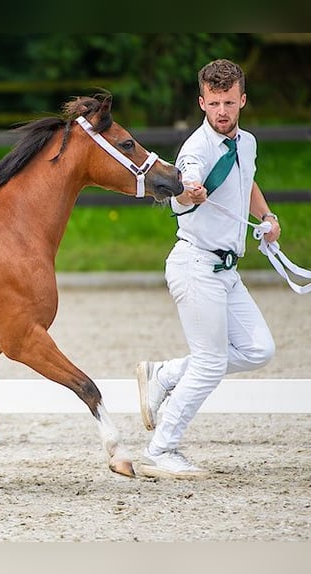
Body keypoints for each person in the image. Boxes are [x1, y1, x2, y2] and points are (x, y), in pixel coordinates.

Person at [135, 58, 282, 479]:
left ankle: (164, 374)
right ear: (202, 102)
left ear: (242, 101)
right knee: (211, 362)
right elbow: (181, 191)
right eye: (214, 102)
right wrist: (189, 195)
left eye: (229, 102)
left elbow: (246, 177)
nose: (222, 111)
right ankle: (161, 449)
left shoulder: (248, 142)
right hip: (195, 265)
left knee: (259, 350)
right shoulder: (195, 149)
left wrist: (268, 218)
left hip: (227, 271)